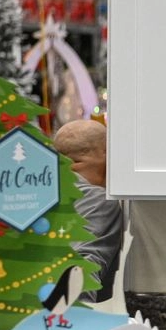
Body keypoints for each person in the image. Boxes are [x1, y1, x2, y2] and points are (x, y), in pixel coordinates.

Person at [52, 119, 124, 304]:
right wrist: (77, 324)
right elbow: (81, 266)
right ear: (106, 154)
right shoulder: (98, 202)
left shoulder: (38, 190)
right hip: (57, 322)